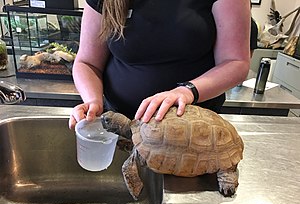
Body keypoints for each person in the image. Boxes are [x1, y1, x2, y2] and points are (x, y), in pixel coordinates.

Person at [69, 0, 251, 129]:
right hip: (119, 128)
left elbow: (235, 62)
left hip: (191, 132)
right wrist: (93, 101)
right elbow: (87, 62)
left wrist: (186, 91)